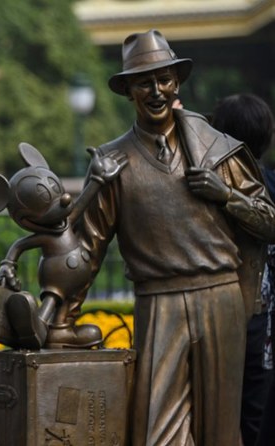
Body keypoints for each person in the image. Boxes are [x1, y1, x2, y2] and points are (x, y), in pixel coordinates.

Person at [77, 30, 275, 445]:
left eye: (164, 79)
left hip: (220, 296)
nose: (156, 91)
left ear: (177, 83)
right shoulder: (113, 162)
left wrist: (227, 196)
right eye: (144, 82)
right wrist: (56, 307)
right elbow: (88, 248)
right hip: (159, 300)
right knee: (156, 430)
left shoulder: (218, 150)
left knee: (221, 431)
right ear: (128, 90)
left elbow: (268, 223)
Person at [212, 93, 275, 446]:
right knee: (255, 417)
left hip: (221, 311)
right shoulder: (270, 185)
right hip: (261, 319)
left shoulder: (208, 186)